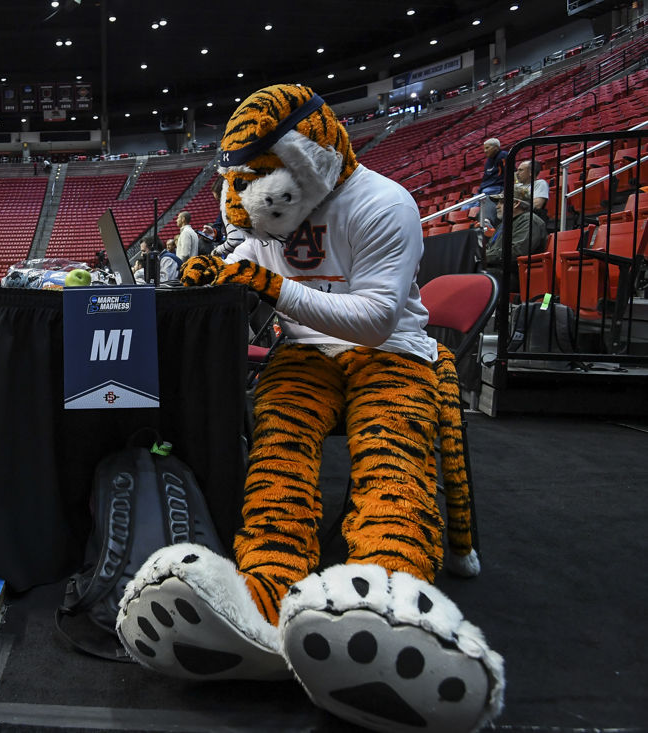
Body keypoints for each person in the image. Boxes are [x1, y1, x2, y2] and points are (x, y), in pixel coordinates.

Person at [119, 84, 503, 732]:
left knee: (391, 455)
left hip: (393, 353)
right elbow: (239, 263)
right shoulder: (260, 215)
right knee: (278, 453)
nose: (245, 199)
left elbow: (378, 320)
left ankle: (392, 605)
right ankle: (262, 605)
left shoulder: (384, 203)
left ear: (311, 158)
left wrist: (274, 286)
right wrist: (207, 275)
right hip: (305, 358)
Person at [484, 183, 547, 289]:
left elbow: (516, 251)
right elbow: (490, 248)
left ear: (515, 203)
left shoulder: (529, 220)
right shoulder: (503, 224)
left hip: (517, 276)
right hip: (499, 270)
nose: (497, 206)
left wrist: (483, 257)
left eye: (501, 202)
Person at [478, 137, 508, 233]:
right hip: (487, 187)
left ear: (496, 147)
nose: (485, 151)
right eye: (484, 148)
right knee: (466, 206)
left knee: (485, 194)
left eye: (487, 148)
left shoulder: (503, 156)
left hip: (498, 186)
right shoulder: (488, 161)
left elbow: (508, 173)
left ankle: (486, 222)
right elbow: (485, 178)